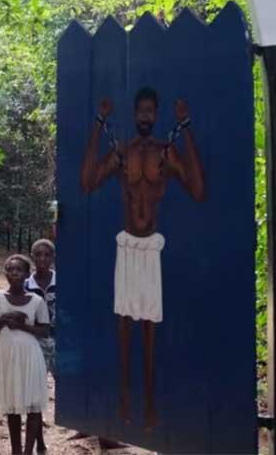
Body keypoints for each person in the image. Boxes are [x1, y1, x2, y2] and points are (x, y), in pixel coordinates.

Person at [80, 88, 205, 429]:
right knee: (124, 326)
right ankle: (123, 402)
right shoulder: (124, 152)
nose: (146, 116)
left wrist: (187, 126)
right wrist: (98, 122)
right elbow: (88, 181)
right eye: (141, 111)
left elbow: (197, 188)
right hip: (127, 247)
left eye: (151, 110)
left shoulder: (166, 153)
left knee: (149, 328)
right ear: (135, 115)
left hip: (150, 247)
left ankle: (149, 405)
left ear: (157, 114)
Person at [0, 254, 50, 455]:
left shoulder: (37, 301)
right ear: (5, 274)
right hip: (8, 357)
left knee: (32, 405)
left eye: (19, 269)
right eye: (10, 269)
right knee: (12, 405)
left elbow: (44, 330)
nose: (14, 272)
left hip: (31, 356)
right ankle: (16, 450)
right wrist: (4, 319)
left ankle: (28, 451)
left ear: (26, 274)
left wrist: (23, 326)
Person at [25, 239, 57, 455]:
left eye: (47, 255)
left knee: (75, 383)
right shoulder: (27, 285)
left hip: (63, 342)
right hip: (36, 342)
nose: (43, 259)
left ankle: (96, 431)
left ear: (53, 258)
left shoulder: (62, 280)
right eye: (38, 255)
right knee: (35, 395)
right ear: (32, 257)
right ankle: (39, 443)